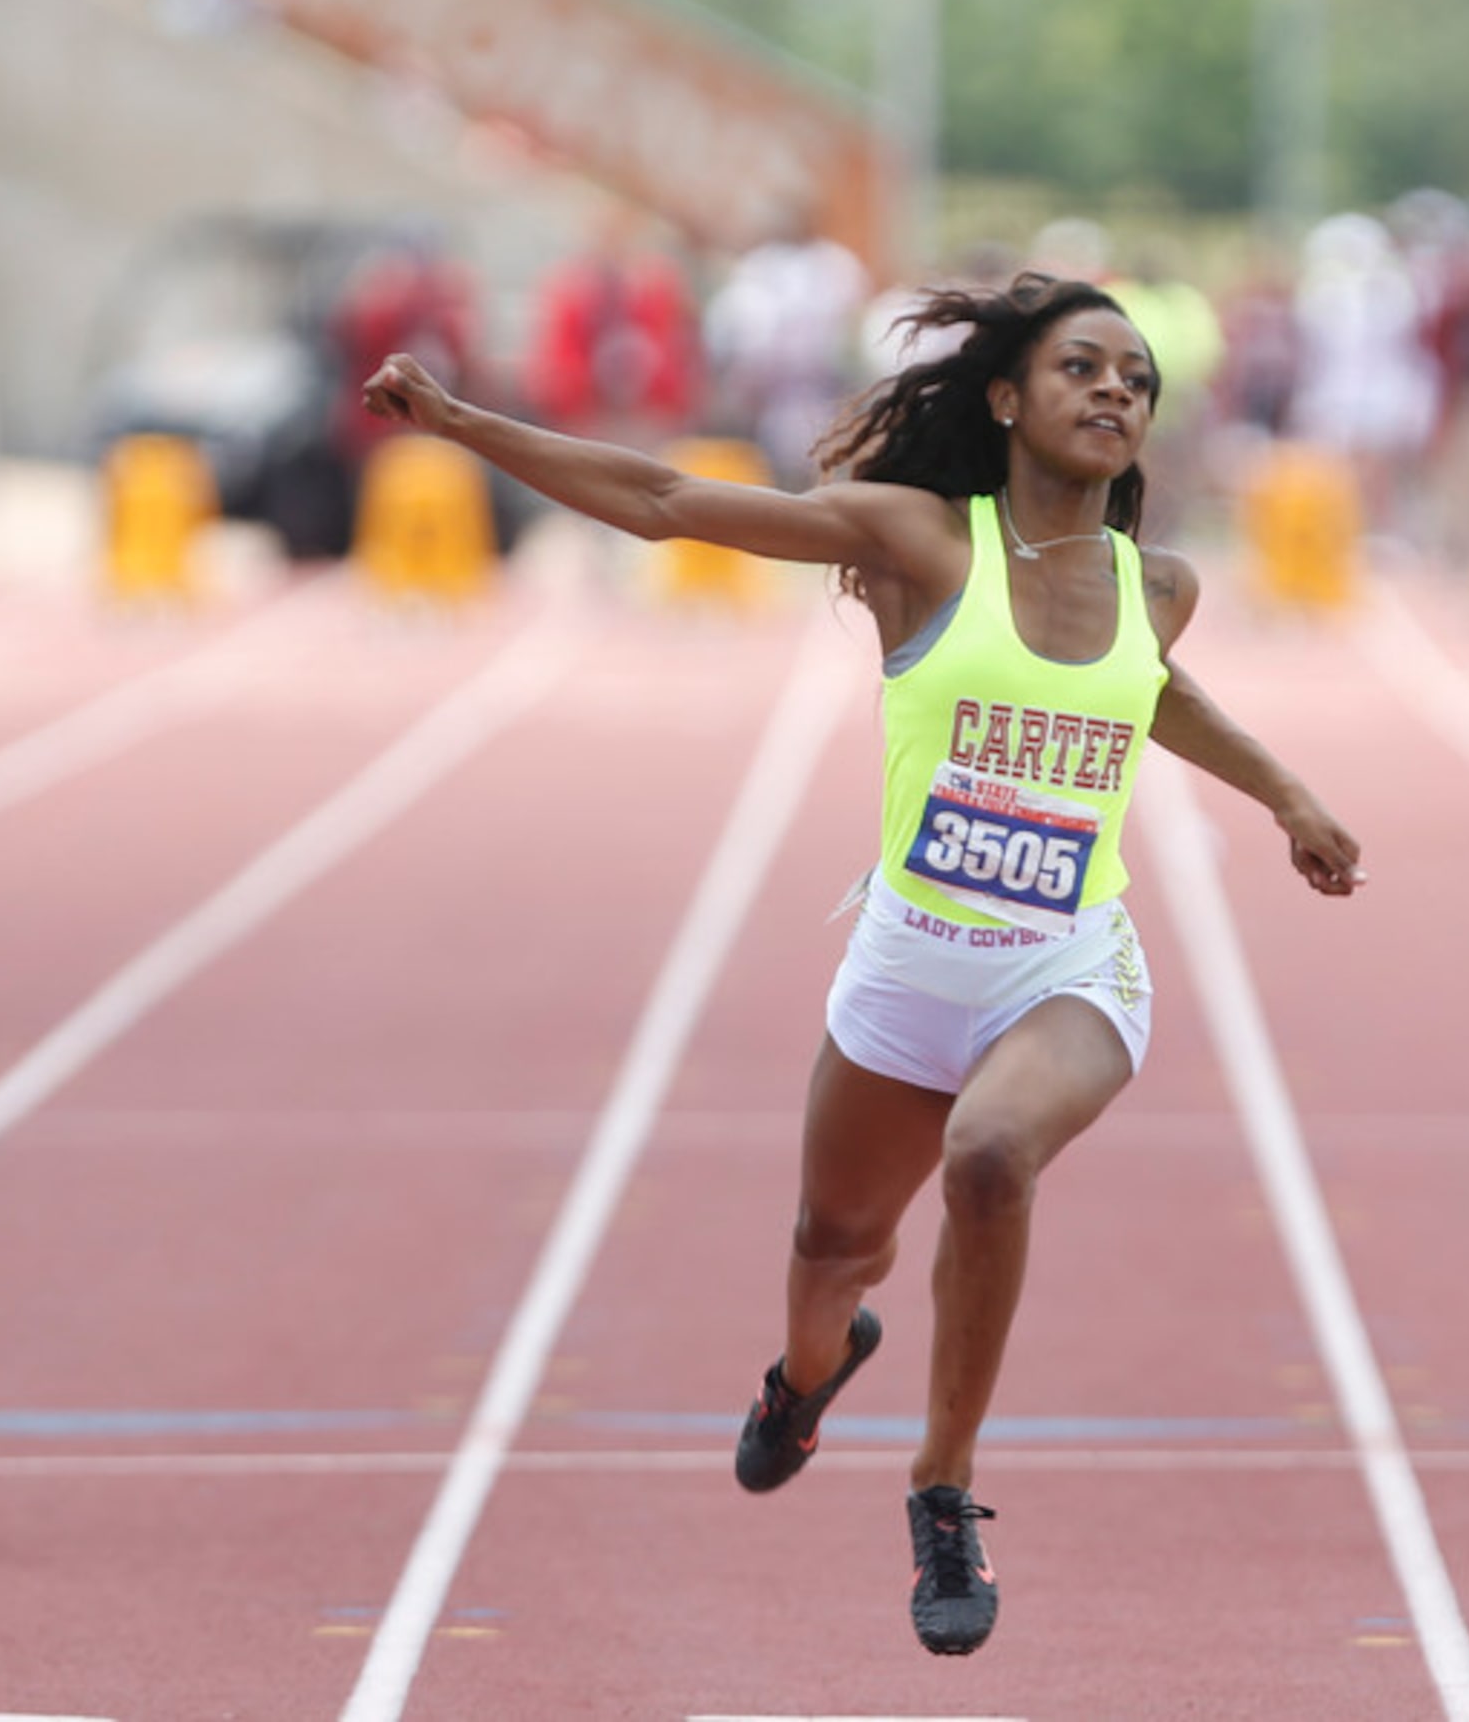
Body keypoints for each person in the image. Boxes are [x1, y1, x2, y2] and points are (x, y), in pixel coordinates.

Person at [363, 273, 1363, 1655]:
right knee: (832, 1249)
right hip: (907, 970)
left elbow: (1151, 687)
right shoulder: (916, 544)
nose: (1114, 390)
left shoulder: (1162, 585)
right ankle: (806, 1376)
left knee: (991, 1157)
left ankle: (942, 1486)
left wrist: (1286, 793)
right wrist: (467, 425)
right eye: (1082, 366)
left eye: (1136, 377)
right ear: (1008, 399)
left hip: (1065, 966)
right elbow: (664, 500)